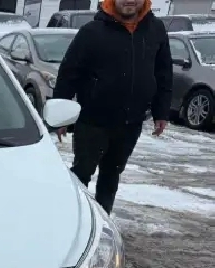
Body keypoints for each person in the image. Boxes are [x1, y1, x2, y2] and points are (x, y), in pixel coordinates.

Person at [52, 0, 172, 215]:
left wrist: (161, 112)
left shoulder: (155, 29)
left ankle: (103, 218)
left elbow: (163, 72)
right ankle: (73, 218)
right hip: (93, 121)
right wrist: (61, 115)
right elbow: (69, 73)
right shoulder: (92, 31)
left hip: (131, 122)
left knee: (111, 175)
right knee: (81, 173)